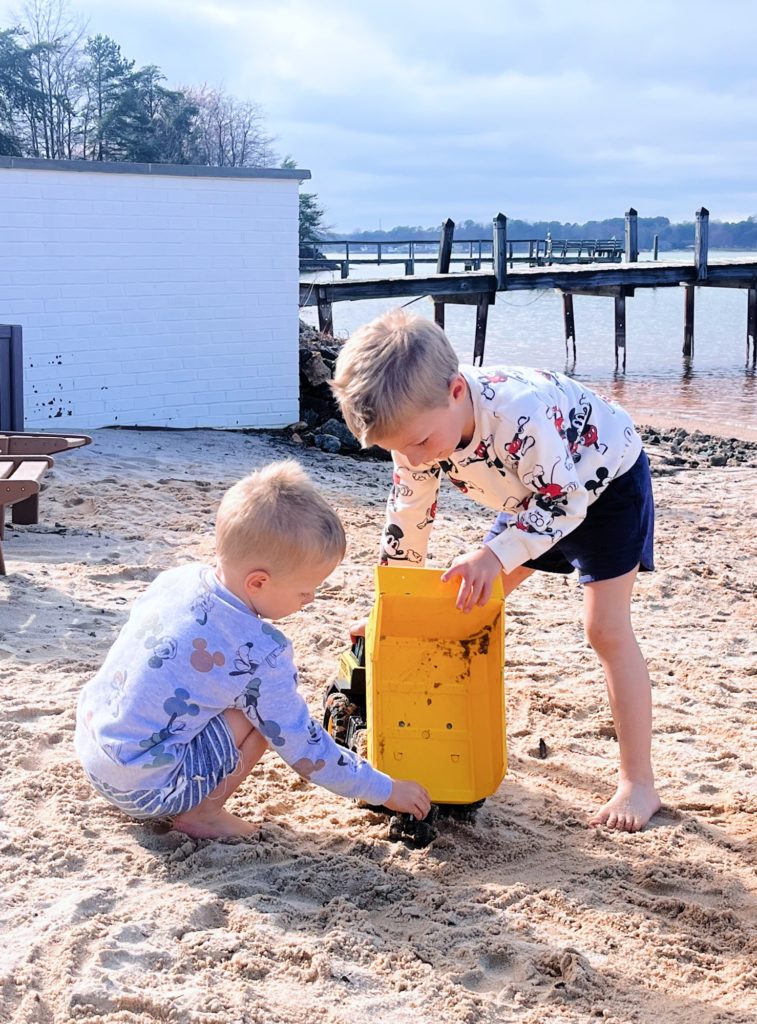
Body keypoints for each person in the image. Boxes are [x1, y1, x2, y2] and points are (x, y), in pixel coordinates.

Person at [331, 309, 660, 833]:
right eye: (398, 450)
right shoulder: (416, 436)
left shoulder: (518, 415)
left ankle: (638, 783)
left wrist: (494, 554)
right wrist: (389, 609)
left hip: (601, 490)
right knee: (462, 605)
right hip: (534, 494)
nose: (413, 458)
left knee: (605, 630)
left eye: (419, 443)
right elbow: (408, 518)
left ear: (457, 390)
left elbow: (566, 502)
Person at [74, 460, 430, 839]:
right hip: (145, 790)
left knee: (222, 692)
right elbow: (303, 747)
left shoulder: (176, 579)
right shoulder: (260, 652)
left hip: (96, 751)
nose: (311, 599)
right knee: (262, 716)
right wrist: (388, 789)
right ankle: (203, 814)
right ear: (258, 582)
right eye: (304, 590)